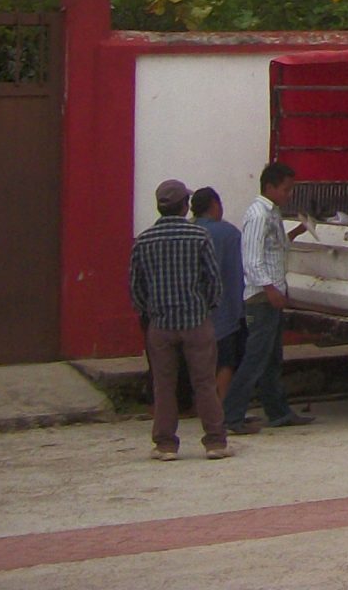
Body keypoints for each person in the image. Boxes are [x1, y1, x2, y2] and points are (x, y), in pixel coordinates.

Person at [127, 178, 231, 461]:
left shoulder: (144, 240)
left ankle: (165, 444)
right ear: (185, 206)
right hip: (196, 321)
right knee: (204, 383)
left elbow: (136, 287)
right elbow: (213, 281)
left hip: (160, 324)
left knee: (164, 385)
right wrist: (206, 308)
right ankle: (215, 441)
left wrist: (149, 313)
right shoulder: (199, 237)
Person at [222, 160, 317, 433]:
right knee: (255, 358)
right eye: (286, 189)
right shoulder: (258, 215)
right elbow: (251, 259)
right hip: (262, 297)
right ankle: (232, 416)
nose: (289, 195)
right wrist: (270, 289)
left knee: (271, 359)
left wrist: (298, 230)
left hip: (272, 293)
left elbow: (276, 247)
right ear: (270, 187)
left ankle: (278, 412)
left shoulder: (272, 213)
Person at [191, 187, 246, 382]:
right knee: (225, 362)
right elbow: (238, 274)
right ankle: (223, 407)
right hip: (225, 312)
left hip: (191, 314)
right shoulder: (229, 233)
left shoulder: (188, 231)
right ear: (215, 205)